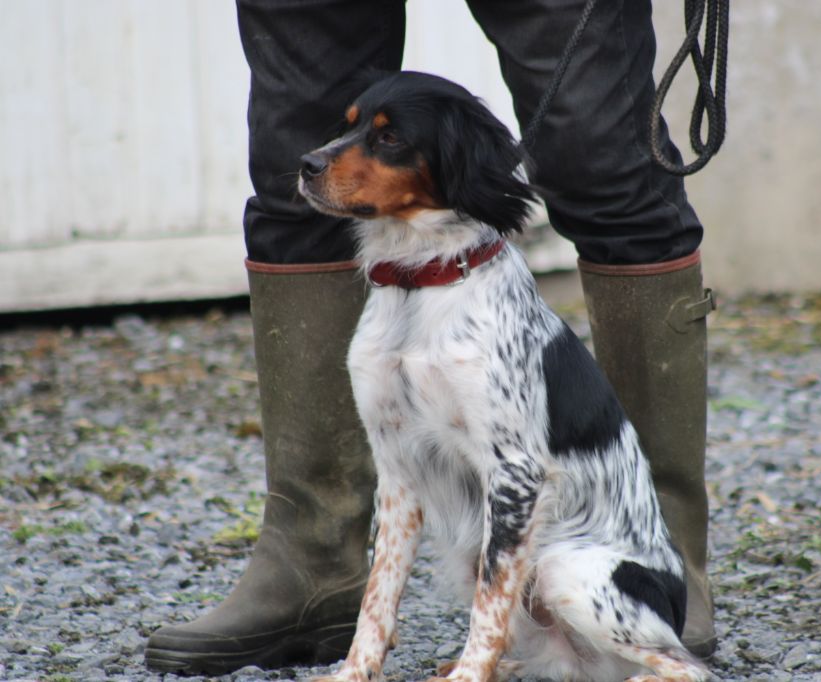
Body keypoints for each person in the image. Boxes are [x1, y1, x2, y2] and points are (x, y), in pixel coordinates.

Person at [144, 0, 716, 674]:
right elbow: (402, 486)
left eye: (382, 142)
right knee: (292, 136)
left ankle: (659, 565)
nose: (341, 153)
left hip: (579, 561)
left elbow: (517, 478)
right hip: (407, 296)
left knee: (606, 156)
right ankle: (311, 561)